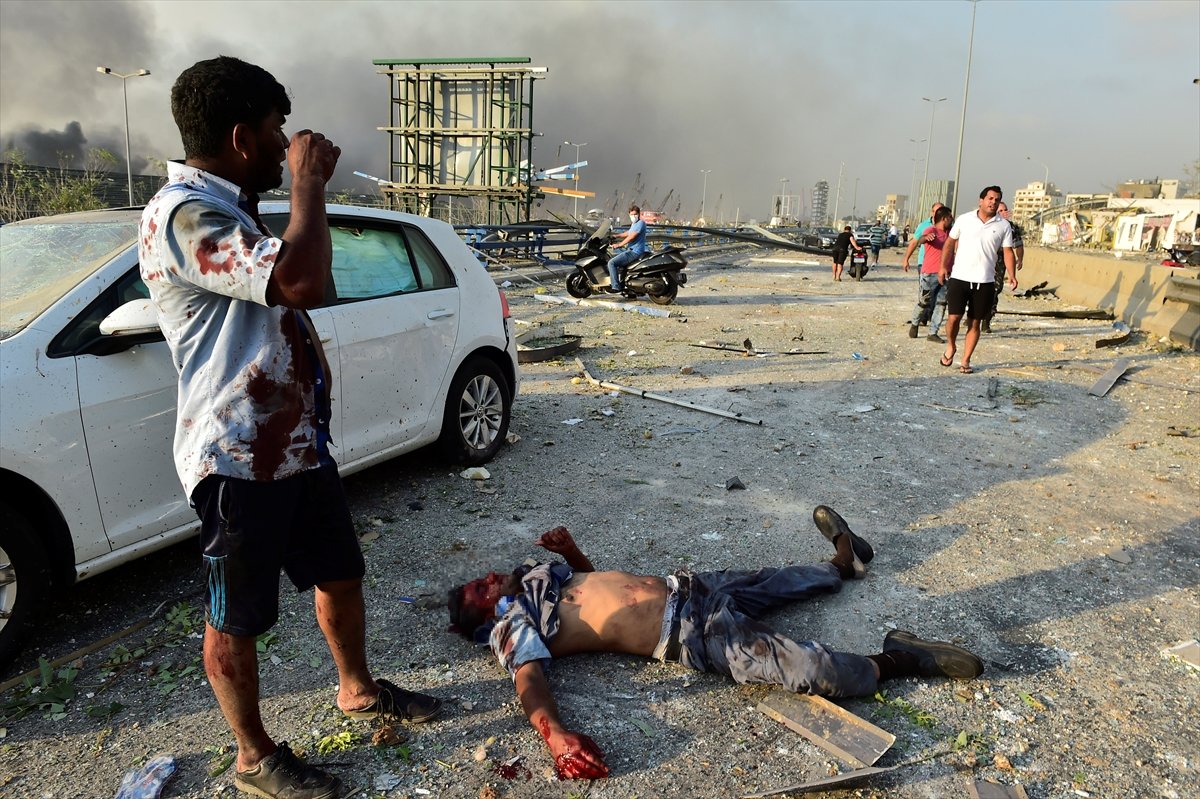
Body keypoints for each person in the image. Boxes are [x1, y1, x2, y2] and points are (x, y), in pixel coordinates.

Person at [139, 56, 442, 799]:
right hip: (236, 455)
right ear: (242, 136)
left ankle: (356, 688)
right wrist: (310, 182)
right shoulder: (183, 215)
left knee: (340, 572)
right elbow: (302, 280)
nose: (286, 145)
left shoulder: (231, 206)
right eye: (277, 131)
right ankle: (252, 755)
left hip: (295, 444)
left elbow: (300, 286)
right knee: (235, 615)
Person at [447, 508, 984, 780]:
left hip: (691, 586)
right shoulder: (511, 625)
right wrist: (555, 735)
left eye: (483, 576)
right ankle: (900, 655)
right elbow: (529, 682)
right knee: (804, 671)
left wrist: (573, 550)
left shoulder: (533, 575)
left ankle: (845, 558)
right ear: (481, 611)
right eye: (479, 587)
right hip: (690, 633)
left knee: (785, 582)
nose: (490, 576)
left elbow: (596, 584)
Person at [939, 186, 1016, 374]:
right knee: (954, 318)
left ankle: (965, 360)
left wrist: (1012, 274)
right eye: (990, 198)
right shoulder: (964, 220)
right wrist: (943, 266)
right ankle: (951, 346)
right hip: (960, 277)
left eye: (997, 199)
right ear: (981, 200)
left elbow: (1007, 251)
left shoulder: (1003, 226)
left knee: (975, 323)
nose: (993, 202)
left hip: (985, 281)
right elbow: (949, 243)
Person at [902, 206, 954, 342]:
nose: (952, 219)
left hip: (946, 274)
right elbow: (920, 240)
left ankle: (933, 332)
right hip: (930, 273)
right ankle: (915, 323)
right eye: (950, 217)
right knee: (924, 302)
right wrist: (925, 237)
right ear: (944, 219)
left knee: (941, 303)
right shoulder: (931, 230)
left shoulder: (951, 233)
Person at [982, 201, 1025, 334]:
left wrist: (1020, 259)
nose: (1003, 213)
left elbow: (1018, 244)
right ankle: (975, 314)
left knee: (995, 290)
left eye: (1005, 210)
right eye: (1000, 211)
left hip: (1000, 263)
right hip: (984, 261)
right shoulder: (986, 224)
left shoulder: (1011, 227)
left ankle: (986, 321)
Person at [607, 204, 648, 292]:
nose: (633, 216)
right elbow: (628, 233)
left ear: (639, 214)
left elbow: (631, 236)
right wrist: (615, 236)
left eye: (635, 214)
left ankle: (615, 286)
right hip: (632, 250)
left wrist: (619, 245)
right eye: (632, 215)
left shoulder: (641, 223)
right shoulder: (634, 224)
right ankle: (623, 286)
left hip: (635, 252)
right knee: (622, 267)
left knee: (611, 263)